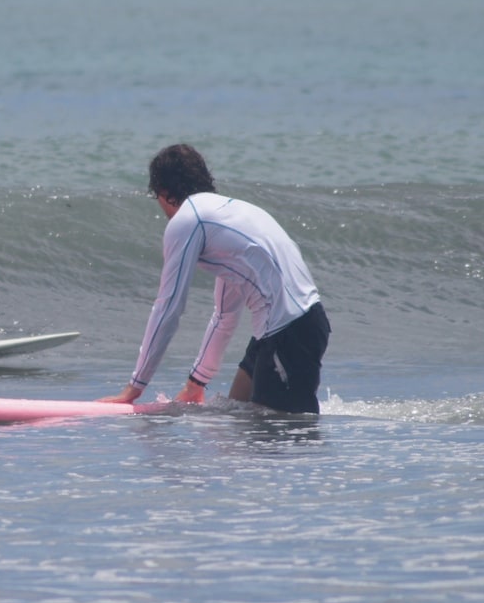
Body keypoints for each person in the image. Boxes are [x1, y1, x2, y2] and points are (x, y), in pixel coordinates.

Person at [101, 143, 330, 413]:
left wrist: (134, 388)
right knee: (235, 421)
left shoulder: (189, 219)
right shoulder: (227, 216)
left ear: (163, 193)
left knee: (282, 438)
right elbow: (225, 315)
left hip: (287, 333)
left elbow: (168, 308)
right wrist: (195, 384)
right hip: (291, 327)